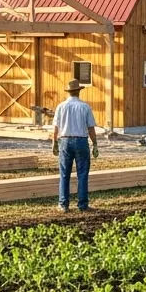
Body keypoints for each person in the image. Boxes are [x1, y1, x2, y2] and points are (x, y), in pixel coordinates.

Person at [51, 78, 99, 212]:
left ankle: (63, 204)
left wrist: (54, 142)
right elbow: (91, 128)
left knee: (64, 174)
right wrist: (95, 144)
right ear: (79, 91)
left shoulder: (61, 107)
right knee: (82, 174)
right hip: (81, 141)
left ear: (68, 92)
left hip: (65, 141)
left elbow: (55, 128)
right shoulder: (85, 107)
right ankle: (82, 205)